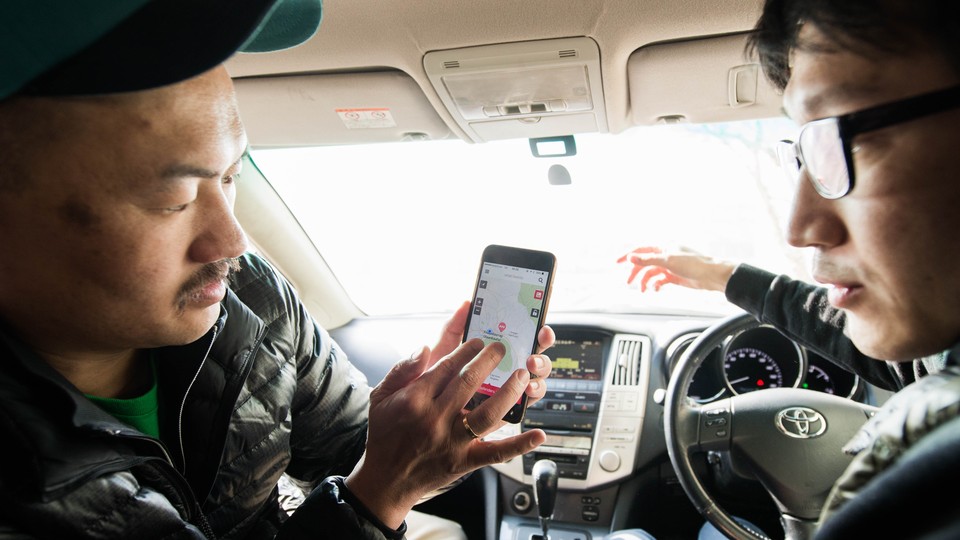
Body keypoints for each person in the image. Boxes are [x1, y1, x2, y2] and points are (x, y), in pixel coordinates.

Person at [0, 2, 554, 539]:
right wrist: (377, 495)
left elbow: (358, 450)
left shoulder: (253, 300)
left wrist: (426, 421)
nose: (233, 241)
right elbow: (379, 482)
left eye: (229, 176)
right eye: (172, 200)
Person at [617, 1, 960, 537]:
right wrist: (722, 275)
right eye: (802, 153)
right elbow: (894, 360)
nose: (799, 227)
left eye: (841, 141)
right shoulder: (944, 366)